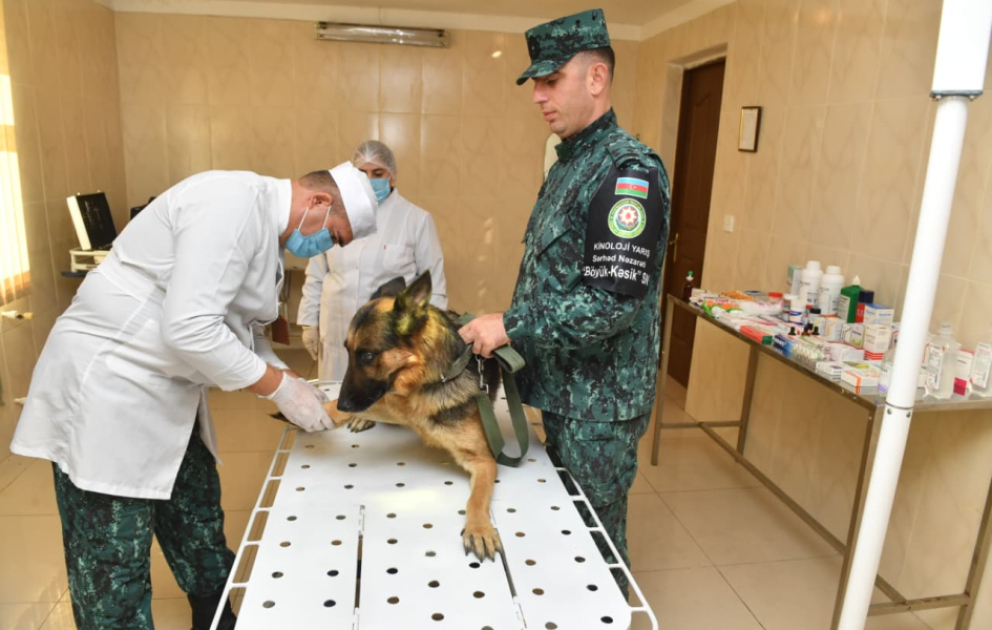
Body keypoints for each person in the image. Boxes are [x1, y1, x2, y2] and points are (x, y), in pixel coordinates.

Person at [10, 163, 378, 630]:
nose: (327, 247)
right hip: (108, 393)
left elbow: (238, 329)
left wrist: (291, 382)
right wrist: (280, 388)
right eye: (336, 236)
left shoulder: (262, 230)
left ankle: (217, 621)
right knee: (112, 570)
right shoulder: (232, 203)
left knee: (200, 533)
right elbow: (190, 329)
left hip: (167, 396)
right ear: (319, 203)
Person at [458, 8, 671, 597]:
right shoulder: (569, 163)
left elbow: (610, 304)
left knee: (595, 548)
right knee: (561, 538)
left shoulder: (629, 172)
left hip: (596, 408)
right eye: (536, 84)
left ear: (596, 79)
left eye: (552, 81)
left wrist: (510, 325)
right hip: (561, 388)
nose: (539, 96)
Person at [298, 140, 447, 381]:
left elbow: (434, 284)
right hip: (337, 329)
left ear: (392, 176)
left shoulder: (416, 219)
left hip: (389, 336)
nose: (369, 179)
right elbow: (317, 274)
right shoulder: (333, 214)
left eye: (378, 173)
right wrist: (308, 323)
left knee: (385, 402)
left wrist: (432, 336)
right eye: (362, 173)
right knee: (337, 401)